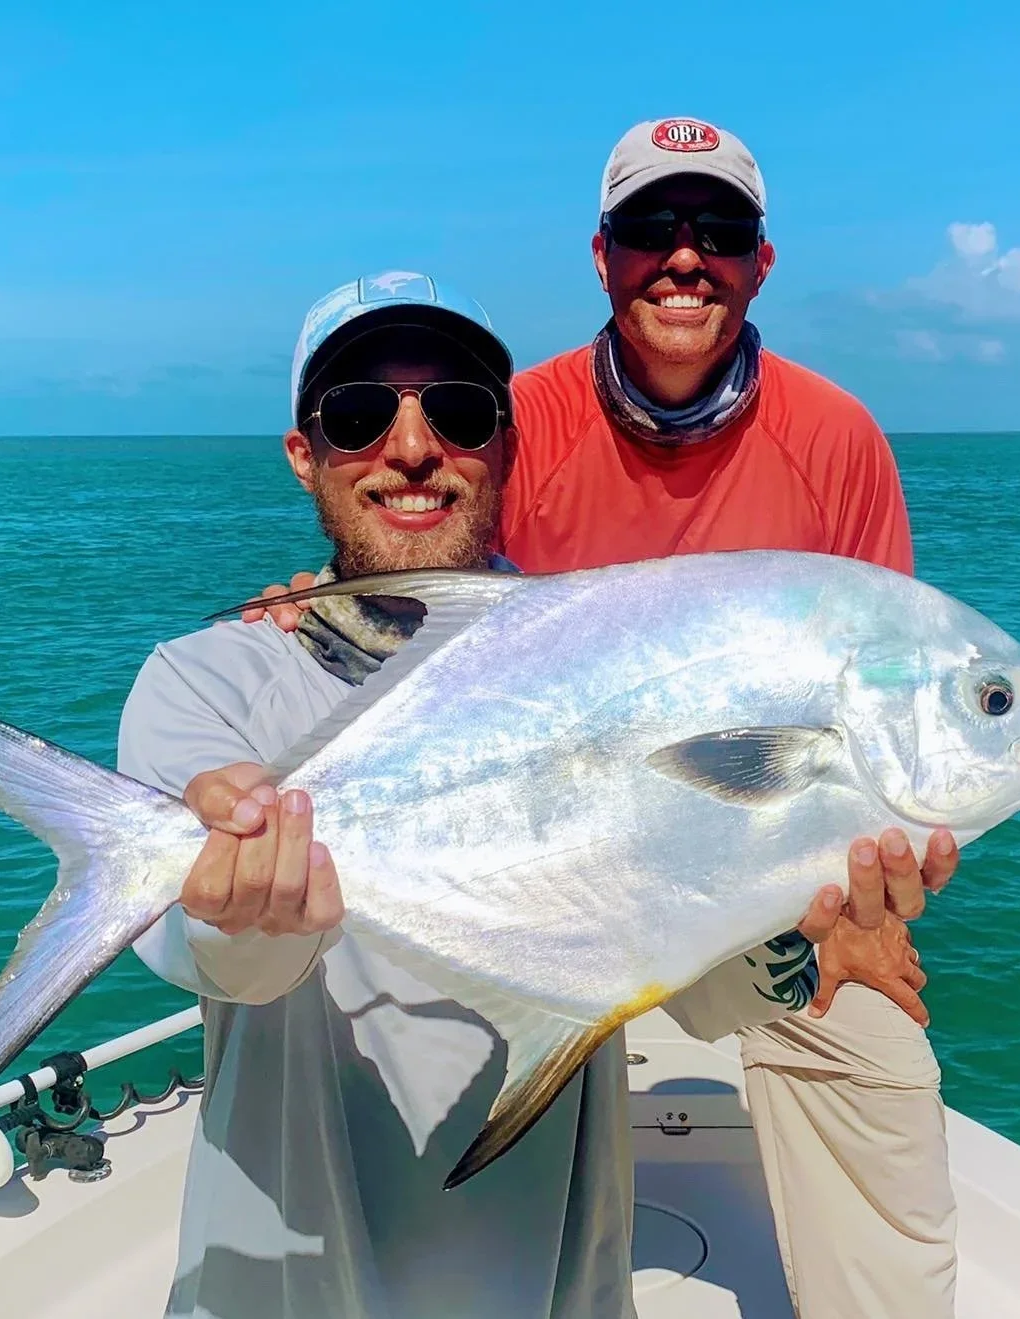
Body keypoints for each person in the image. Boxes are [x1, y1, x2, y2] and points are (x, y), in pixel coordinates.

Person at [250, 121, 961, 1319]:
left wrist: (868, 885)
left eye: (717, 231)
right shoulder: (506, 420)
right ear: (601, 255)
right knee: (427, 1121)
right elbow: (415, 549)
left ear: (759, 261)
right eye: (650, 229)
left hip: (765, 884)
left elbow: (878, 712)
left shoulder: (834, 438)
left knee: (875, 1071)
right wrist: (321, 594)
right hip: (557, 865)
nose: (683, 259)